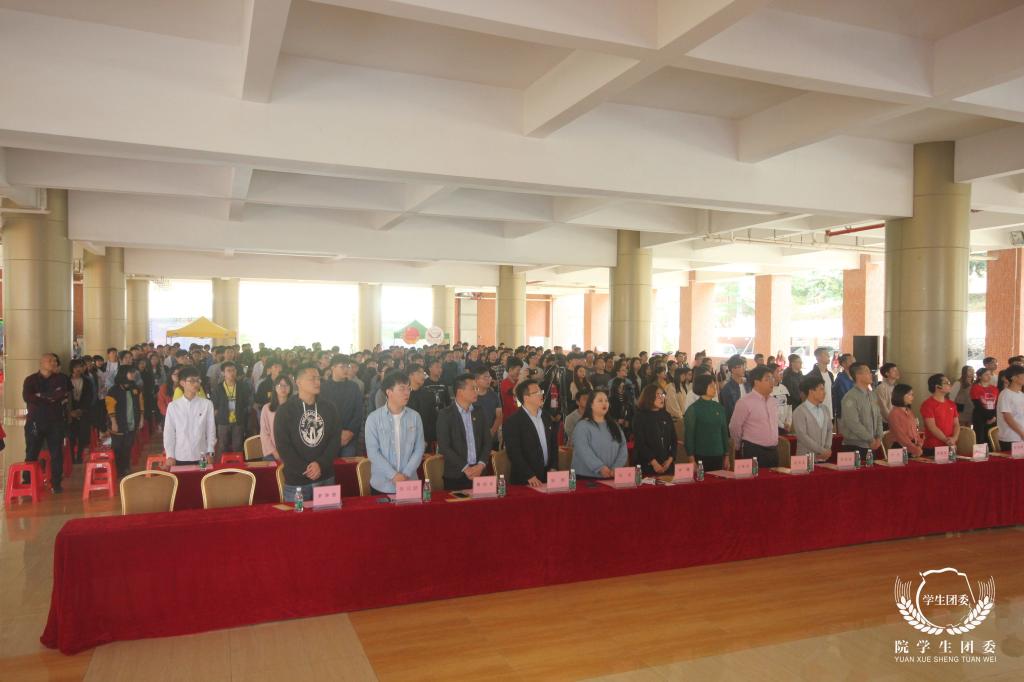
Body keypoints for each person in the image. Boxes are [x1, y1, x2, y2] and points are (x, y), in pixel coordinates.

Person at [274, 363, 341, 502]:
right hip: (297, 481)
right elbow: (283, 446)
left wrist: (320, 464)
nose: (317, 382)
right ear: (298, 382)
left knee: (328, 514)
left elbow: (335, 440)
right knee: (298, 515)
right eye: (312, 379)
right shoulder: (285, 410)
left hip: (325, 476)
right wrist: (307, 469)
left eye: (318, 378)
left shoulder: (329, 408)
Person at [365, 370, 425, 495]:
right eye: (402, 389)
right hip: (382, 484)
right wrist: (393, 475)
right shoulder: (373, 418)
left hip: (409, 483)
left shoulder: (415, 417)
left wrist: (406, 474)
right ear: (389, 392)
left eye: (408, 389)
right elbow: (373, 452)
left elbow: (419, 449)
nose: (407, 393)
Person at [22, 353, 71, 492]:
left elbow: (60, 395)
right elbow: (27, 397)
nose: (54, 363)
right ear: (42, 363)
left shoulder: (61, 379)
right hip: (35, 422)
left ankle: (56, 484)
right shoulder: (30, 380)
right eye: (50, 361)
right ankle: (28, 482)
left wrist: (40, 395)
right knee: (31, 453)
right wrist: (49, 397)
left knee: (56, 453)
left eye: (55, 361)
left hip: (55, 421)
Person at [436, 373, 491, 491]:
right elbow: (444, 447)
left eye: (477, 388)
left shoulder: (479, 412)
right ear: (460, 392)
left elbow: (487, 441)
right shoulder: (445, 415)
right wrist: (466, 468)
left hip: (480, 472)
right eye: (473, 388)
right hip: (456, 475)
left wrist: (481, 465)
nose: (476, 391)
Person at [504, 379, 559, 487]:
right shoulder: (513, 421)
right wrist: (529, 475)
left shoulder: (546, 417)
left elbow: (553, 445)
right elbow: (514, 452)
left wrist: (553, 467)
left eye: (541, 391)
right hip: (525, 479)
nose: (541, 395)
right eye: (537, 392)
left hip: (548, 476)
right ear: (526, 398)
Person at [163, 367, 216, 466]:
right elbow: (169, 432)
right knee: (182, 476)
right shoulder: (173, 406)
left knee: (203, 475)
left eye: (198, 380)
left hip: (202, 455)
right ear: (182, 383)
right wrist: (169, 455)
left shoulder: (207, 404)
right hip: (180, 455)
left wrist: (211, 452)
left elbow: (211, 430)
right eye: (192, 381)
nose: (196, 384)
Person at [729, 365, 779, 468]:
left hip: (773, 450)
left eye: (772, 378)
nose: (772, 382)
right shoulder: (744, 402)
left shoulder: (773, 401)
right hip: (753, 450)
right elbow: (734, 427)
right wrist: (738, 446)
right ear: (756, 382)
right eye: (767, 379)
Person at [571, 389, 628, 479]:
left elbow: (623, 446)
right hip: (586, 478)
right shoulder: (582, 425)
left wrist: (616, 467)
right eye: (600, 400)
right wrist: (599, 467)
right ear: (591, 404)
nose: (604, 403)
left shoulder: (614, 425)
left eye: (606, 400)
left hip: (611, 475)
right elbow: (583, 450)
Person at [683, 373, 729, 472]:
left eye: (714, 385)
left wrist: (727, 455)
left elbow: (724, 432)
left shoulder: (719, 407)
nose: (715, 388)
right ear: (702, 387)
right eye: (711, 386)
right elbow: (689, 436)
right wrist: (691, 459)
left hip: (719, 454)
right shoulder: (693, 409)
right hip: (701, 455)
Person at [320, 355, 364, 456]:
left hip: (349, 436)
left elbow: (358, 412)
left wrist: (350, 432)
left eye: (347, 366)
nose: (346, 369)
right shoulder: (323, 388)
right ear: (332, 368)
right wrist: (335, 434)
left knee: (348, 461)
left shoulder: (354, 387)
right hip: (328, 436)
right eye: (342, 367)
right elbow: (322, 413)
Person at [838, 362, 883, 459]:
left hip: (872, 445)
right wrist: (870, 439)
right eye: (867, 372)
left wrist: (879, 437)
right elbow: (853, 423)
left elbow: (879, 416)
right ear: (858, 375)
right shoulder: (850, 397)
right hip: (855, 446)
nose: (871, 374)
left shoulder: (872, 395)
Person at [105, 365, 143, 478]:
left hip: (132, 423)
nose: (133, 374)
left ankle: (125, 468)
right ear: (123, 374)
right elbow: (110, 408)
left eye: (134, 372)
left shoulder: (135, 388)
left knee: (128, 446)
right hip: (118, 423)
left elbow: (141, 404)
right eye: (130, 372)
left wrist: (141, 419)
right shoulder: (113, 390)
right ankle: (117, 469)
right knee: (117, 447)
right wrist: (113, 422)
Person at [632, 384, 677, 476]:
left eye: (663, 395)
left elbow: (674, 440)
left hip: (667, 465)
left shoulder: (666, 415)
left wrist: (670, 460)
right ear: (649, 397)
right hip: (647, 465)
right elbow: (640, 443)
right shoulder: (640, 417)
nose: (662, 398)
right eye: (658, 395)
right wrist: (654, 463)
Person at [211, 361, 251, 457]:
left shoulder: (243, 386)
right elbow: (215, 405)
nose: (231, 373)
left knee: (238, 446)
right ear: (223, 373)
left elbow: (247, 402)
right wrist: (217, 419)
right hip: (223, 421)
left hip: (238, 420)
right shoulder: (218, 388)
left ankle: (238, 464)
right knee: (222, 446)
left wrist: (243, 413)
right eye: (228, 371)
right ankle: (223, 465)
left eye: (233, 370)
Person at [792, 375, 833, 463]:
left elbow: (829, 429)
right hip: (804, 460)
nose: (824, 393)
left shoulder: (825, 409)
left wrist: (827, 448)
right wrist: (822, 450)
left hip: (823, 458)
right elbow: (803, 436)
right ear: (811, 392)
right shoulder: (799, 411)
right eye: (821, 389)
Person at [920, 373, 959, 457]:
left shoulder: (951, 404)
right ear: (937, 386)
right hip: (933, 447)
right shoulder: (928, 404)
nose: (949, 384)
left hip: (951, 445)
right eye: (946, 383)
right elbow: (932, 427)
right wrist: (946, 440)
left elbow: (956, 424)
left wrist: (954, 439)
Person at [67, 358, 95, 465]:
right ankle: (71, 458)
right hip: (70, 413)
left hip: (83, 412)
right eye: (75, 367)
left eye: (80, 367)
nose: (78, 369)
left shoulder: (87, 381)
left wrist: (81, 410)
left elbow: (90, 396)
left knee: (82, 436)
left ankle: (79, 456)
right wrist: (70, 411)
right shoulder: (66, 380)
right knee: (71, 436)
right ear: (72, 368)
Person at [259, 374, 293, 462]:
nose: (283, 388)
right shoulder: (267, 408)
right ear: (275, 388)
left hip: (291, 452)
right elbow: (264, 434)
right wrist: (275, 453)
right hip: (271, 453)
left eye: (286, 385)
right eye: (280, 385)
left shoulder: (295, 408)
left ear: (290, 388)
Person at [886, 384, 923, 457]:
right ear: (901, 395)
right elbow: (900, 436)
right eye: (910, 394)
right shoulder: (894, 413)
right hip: (900, 448)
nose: (912, 397)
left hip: (912, 447)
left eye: (912, 394)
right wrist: (914, 449)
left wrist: (919, 444)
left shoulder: (909, 411)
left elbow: (915, 431)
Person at [472, 366, 502, 450]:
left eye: (489, 377)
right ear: (476, 380)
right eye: (485, 377)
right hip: (475, 438)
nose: (489, 380)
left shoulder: (494, 396)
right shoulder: (471, 396)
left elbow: (499, 416)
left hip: (492, 437)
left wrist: (492, 431)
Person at [996, 365, 1024, 451]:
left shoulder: (1021, 394)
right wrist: (1022, 433)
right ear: (1014, 378)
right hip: (1011, 438)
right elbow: (1008, 418)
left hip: (1020, 437)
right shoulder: (1005, 394)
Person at [970, 368, 999, 447]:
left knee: (991, 441)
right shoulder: (975, 388)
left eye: (990, 374)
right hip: (980, 417)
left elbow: (996, 404)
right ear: (980, 377)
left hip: (993, 417)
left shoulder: (994, 389)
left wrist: (994, 416)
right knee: (980, 439)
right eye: (986, 374)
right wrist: (988, 417)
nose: (989, 376)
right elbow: (977, 405)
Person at [608, 359, 635, 436]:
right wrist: (616, 420)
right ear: (617, 372)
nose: (625, 371)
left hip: (626, 422)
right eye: (623, 370)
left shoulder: (629, 382)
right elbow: (610, 412)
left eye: (626, 370)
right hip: (616, 422)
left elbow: (631, 401)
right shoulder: (611, 383)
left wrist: (628, 420)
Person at [807, 347, 835, 419]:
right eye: (826, 354)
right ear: (818, 357)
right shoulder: (811, 375)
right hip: (816, 412)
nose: (829, 356)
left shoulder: (830, 374)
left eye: (828, 354)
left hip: (829, 412)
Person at [720, 354, 748, 424]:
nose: (744, 368)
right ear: (733, 369)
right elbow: (729, 412)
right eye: (741, 366)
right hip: (736, 424)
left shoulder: (748, 384)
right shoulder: (727, 389)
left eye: (744, 366)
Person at [770, 364, 793, 432]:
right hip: (773, 426)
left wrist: (789, 422)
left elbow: (789, 406)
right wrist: (781, 425)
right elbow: (771, 412)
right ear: (771, 374)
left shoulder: (784, 388)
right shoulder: (767, 390)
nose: (781, 374)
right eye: (778, 371)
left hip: (785, 426)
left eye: (781, 371)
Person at [831, 354, 855, 418]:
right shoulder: (840, 379)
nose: (854, 362)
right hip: (844, 413)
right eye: (851, 361)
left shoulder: (856, 377)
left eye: (854, 360)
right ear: (843, 364)